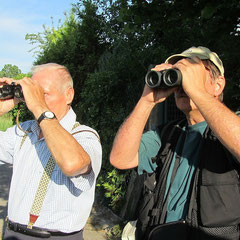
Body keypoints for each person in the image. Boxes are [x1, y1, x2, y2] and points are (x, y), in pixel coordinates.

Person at [110, 46, 240, 240]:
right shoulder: (168, 133)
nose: (182, 85)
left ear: (218, 85)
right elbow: (120, 158)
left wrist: (195, 90)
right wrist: (146, 101)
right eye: (179, 75)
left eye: (192, 73)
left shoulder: (231, 128)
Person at [0, 63, 102, 240]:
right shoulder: (24, 132)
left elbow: (72, 164)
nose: (33, 100)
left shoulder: (84, 135)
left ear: (68, 95)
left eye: (43, 93)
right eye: (32, 93)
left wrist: (39, 106)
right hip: (12, 233)